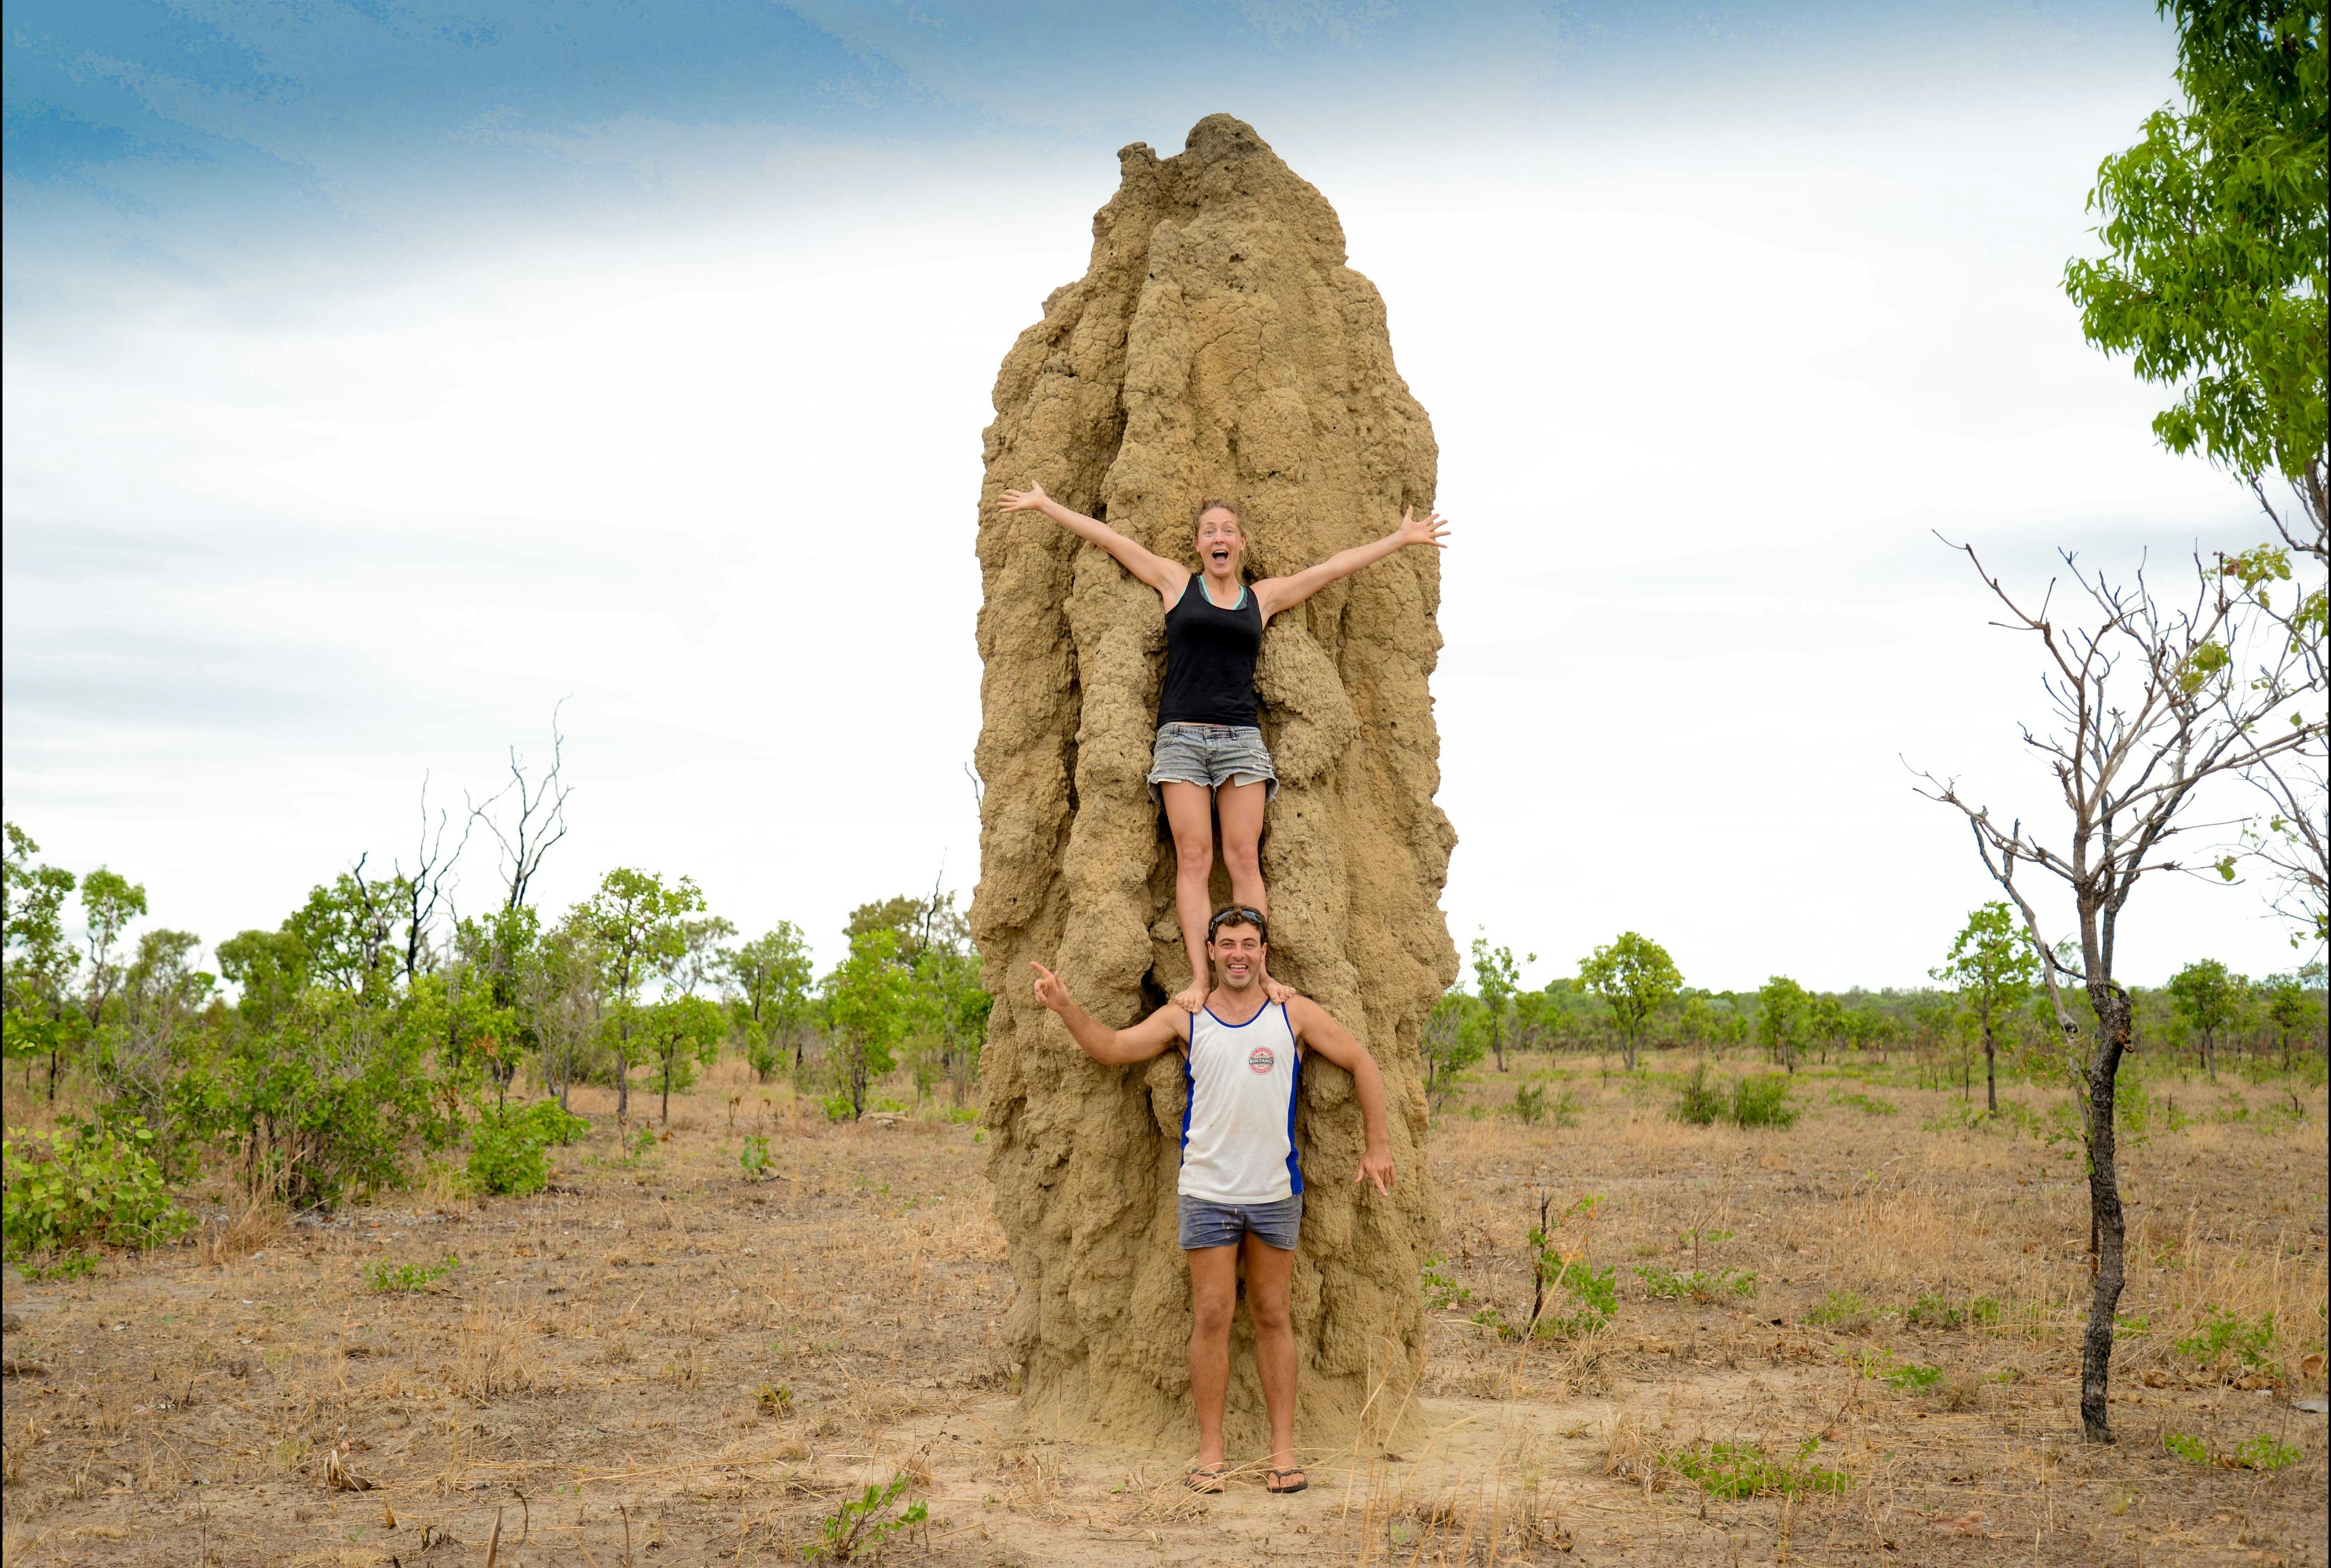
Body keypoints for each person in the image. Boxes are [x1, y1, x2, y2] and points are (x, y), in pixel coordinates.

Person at [998, 484, 1449, 1012]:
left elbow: (1331, 568)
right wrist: (1047, 504)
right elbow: (1112, 540)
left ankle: (1260, 975)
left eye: (1228, 531)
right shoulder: (1175, 583)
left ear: (1241, 544)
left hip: (1240, 741)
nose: (1219, 538)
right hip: (1181, 740)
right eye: (1210, 530)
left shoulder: (1262, 599)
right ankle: (1198, 977)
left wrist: (1397, 540)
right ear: (1196, 544)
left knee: (1243, 860)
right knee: (1194, 858)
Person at [1029, 905, 1394, 1495]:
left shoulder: (1291, 1013)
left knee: (1275, 1314)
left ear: (1264, 952)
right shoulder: (1186, 1017)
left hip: (1276, 1191)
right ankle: (1210, 1453)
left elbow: (1362, 1062)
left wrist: (1376, 1146)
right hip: (1207, 1191)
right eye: (1228, 944)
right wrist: (1068, 1007)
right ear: (1212, 950)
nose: (1239, 955)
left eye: (1249, 944)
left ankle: (1283, 1452)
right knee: (1211, 1315)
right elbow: (1115, 1048)